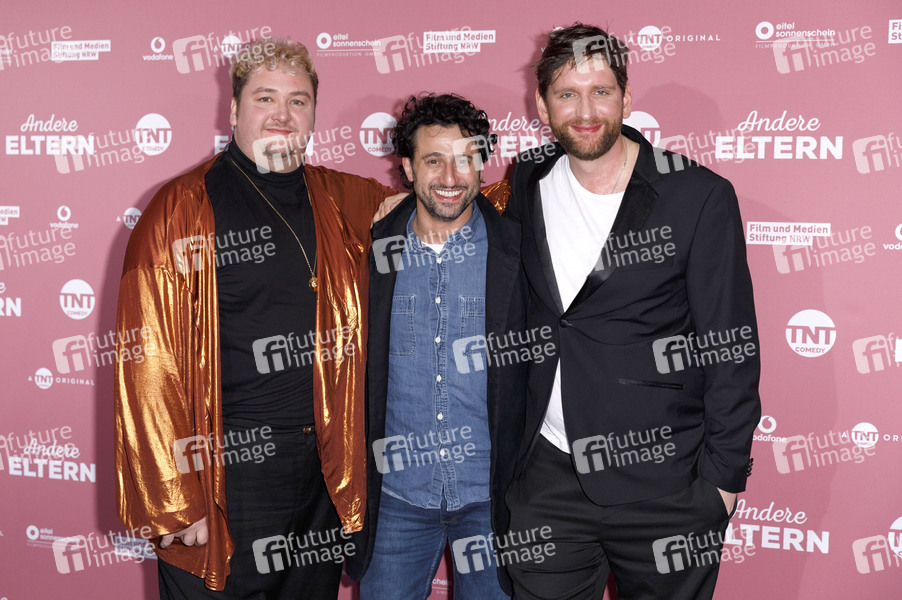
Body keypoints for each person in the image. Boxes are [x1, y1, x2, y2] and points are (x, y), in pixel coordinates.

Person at [113, 37, 400, 598]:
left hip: (322, 471)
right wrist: (175, 501)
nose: (281, 114)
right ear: (234, 110)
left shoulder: (344, 198)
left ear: (313, 113)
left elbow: (447, 200)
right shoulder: (180, 209)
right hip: (226, 476)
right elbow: (147, 363)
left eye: (297, 101)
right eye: (265, 98)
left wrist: (549, 178)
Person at [503, 24, 761, 600]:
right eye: (567, 94)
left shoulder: (696, 194)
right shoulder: (527, 177)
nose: (585, 111)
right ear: (542, 105)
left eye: (601, 91)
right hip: (547, 480)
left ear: (625, 97)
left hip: (666, 484)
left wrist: (720, 485)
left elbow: (730, 346)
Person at [347, 93, 527, 599]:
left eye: (465, 159)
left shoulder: (519, 250)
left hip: (492, 499)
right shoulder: (368, 249)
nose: (451, 176)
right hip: (395, 498)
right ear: (407, 168)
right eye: (433, 160)